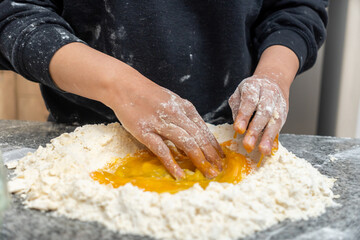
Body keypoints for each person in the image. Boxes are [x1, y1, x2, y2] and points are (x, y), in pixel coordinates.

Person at [0, 0, 328, 179]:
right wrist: (120, 87)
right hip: (85, 149)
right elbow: (15, 14)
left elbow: (295, 7)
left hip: (233, 139)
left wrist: (272, 76)